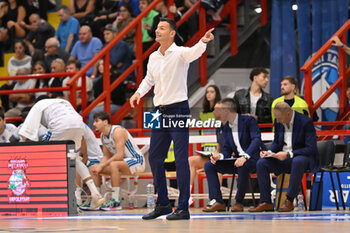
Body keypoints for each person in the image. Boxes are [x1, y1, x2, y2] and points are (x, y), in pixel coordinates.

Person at [129, 18, 214, 220]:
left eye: (162, 28)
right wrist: (138, 93)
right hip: (159, 111)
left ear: (172, 33)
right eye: (157, 28)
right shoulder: (153, 57)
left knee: (180, 158)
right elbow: (148, 80)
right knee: (155, 157)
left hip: (178, 109)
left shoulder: (180, 53)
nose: (157, 31)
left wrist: (203, 41)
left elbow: (194, 52)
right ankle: (163, 204)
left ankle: (183, 207)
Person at [18, 97, 105, 210]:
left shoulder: (38, 105)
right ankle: (95, 193)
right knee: (76, 159)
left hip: (60, 125)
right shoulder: (63, 102)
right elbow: (85, 136)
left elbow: (25, 135)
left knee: (45, 158)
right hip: (79, 124)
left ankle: (60, 197)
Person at [248, 102, 320, 212]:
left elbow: (311, 148)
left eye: (279, 118)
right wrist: (270, 152)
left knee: (297, 161)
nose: (278, 121)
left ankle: (289, 201)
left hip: (302, 157)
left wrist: (288, 154)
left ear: (288, 113)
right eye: (276, 118)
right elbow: (277, 142)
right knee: (261, 163)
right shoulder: (278, 122)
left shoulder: (306, 122)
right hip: (284, 158)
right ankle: (266, 202)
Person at [202, 98, 261, 212]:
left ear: (226, 111)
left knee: (242, 165)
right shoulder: (226, 127)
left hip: (252, 159)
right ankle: (218, 201)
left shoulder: (248, 121)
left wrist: (245, 157)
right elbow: (227, 149)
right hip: (237, 160)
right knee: (209, 165)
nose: (217, 112)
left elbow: (256, 140)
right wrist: (219, 156)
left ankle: (239, 202)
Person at [91, 111, 145, 210]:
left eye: (96, 121)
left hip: (137, 161)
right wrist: (99, 166)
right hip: (122, 163)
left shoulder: (117, 131)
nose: (94, 124)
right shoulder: (103, 136)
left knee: (113, 165)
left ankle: (115, 201)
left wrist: (102, 166)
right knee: (93, 167)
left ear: (105, 122)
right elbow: (106, 156)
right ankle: (96, 199)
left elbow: (119, 156)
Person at [188, 85, 222, 205]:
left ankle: (217, 199)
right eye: (207, 92)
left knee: (217, 166)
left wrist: (218, 151)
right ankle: (188, 195)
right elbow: (202, 134)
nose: (209, 94)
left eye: (212, 92)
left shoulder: (222, 114)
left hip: (219, 153)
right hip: (206, 151)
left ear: (216, 94)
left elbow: (223, 136)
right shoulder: (203, 114)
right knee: (190, 160)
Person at [75, 123, 103, 208]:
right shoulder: (76, 121)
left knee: (76, 162)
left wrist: (85, 158)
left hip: (94, 156)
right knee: (76, 161)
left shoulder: (77, 124)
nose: (94, 124)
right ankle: (92, 196)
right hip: (87, 155)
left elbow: (81, 140)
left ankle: (78, 198)